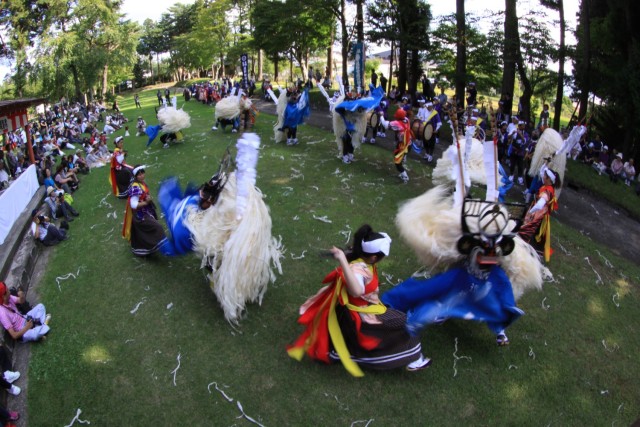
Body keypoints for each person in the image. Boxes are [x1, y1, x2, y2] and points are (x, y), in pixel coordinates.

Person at [287, 225, 431, 376]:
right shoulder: (358, 270)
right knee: (402, 324)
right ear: (374, 257)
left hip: (365, 308)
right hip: (360, 315)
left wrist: (344, 256)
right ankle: (411, 358)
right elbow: (356, 291)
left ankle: (413, 357)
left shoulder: (362, 260)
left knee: (401, 321)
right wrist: (342, 260)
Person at [122, 165, 168, 256]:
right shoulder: (135, 188)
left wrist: (147, 198)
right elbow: (133, 204)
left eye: (142, 173)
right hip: (140, 214)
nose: (142, 175)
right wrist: (146, 202)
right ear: (135, 177)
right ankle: (159, 245)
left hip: (146, 211)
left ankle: (147, 246)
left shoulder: (142, 183)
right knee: (157, 227)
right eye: (139, 174)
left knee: (149, 228)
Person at [518, 166, 561, 262]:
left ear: (549, 179)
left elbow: (540, 205)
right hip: (539, 212)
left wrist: (530, 212)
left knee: (532, 231)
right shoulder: (548, 186)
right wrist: (546, 163)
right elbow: (541, 172)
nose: (543, 176)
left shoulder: (547, 191)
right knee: (533, 233)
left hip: (539, 215)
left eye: (545, 176)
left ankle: (530, 254)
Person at [378, 108, 413, 183]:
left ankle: (405, 176)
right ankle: (403, 162)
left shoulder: (397, 123)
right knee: (401, 159)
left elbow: (385, 125)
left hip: (402, 146)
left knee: (397, 162)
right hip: (409, 143)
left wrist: (381, 115)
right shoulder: (406, 119)